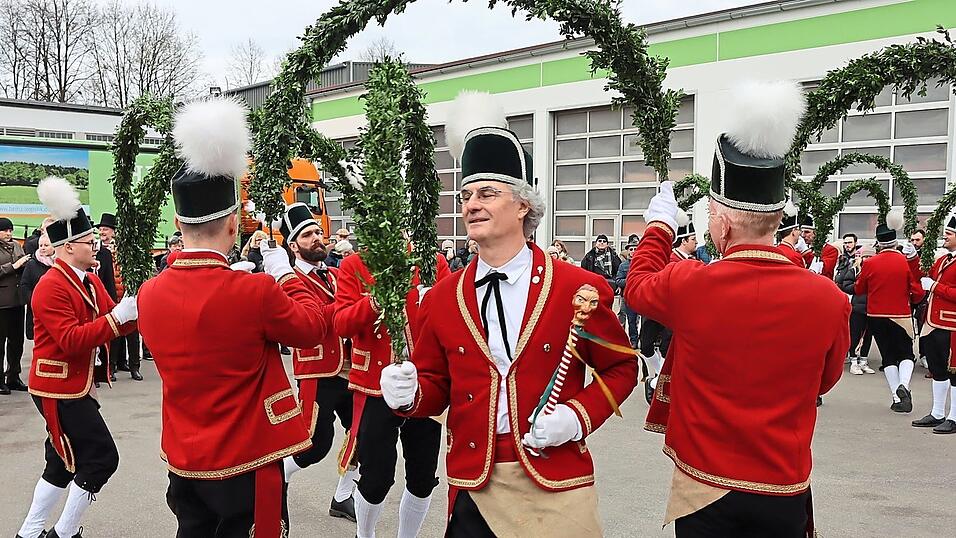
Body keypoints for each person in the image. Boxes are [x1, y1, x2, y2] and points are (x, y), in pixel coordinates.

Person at [380, 90, 636, 537]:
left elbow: (621, 368)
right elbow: (437, 387)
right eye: (465, 195)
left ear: (523, 205)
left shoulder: (579, 289)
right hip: (473, 480)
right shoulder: (442, 298)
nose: (471, 204)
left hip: (555, 478)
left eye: (487, 193)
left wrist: (577, 416)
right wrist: (409, 395)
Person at [626, 80, 848, 537]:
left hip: (706, 485)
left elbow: (637, 285)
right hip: (784, 485)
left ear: (724, 223)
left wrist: (658, 228)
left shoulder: (692, 284)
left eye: (710, 214)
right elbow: (825, 378)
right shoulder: (828, 298)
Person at [137, 98, 329, 538]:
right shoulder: (255, 290)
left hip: (184, 459)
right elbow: (313, 327)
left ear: (180, 224)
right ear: (232, 225)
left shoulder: (150, 292)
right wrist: (283, 274)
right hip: (248, 458)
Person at [17, 176, 138, 538]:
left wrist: (144, 308)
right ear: (68, 247)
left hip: (75, 384)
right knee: (101, 458)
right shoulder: (50, 287)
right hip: (57, 386)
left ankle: (30, 531)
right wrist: (118, 319)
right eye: (90, 242)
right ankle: (64, 533)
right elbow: (72, 341)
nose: (96, 246)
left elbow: (115, 317)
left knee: (59, 461)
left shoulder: (88, 279)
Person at [334, 236, 450, 538]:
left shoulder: (431, 262)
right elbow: (342, 324)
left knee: (423, 477)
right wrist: (374, 302)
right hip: (374, 386)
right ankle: (365, 534)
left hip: (424, 385)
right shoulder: (354, 264)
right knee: (376, 477)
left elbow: (454, 318)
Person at [277, 203, 359, 520]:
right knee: (315, 443)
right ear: (293, 245)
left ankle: (343, 496)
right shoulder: (290, 279)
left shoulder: (338, 274)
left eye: (318, 233)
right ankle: (278, 476)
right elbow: (314, 319)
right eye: (308, 235)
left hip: (353, 368)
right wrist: (347, 305)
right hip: (319, 369)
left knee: (362, 435)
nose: (317, 239)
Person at [855, 211, 924, 413]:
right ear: (895, 243)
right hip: (900, 315)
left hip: (876, 315)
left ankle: (897, 398)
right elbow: (917, 291)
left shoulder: (869, 263)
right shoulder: (904, 262)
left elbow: (859, 289)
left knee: (888, 357)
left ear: (879, 243)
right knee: (906, 355)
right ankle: (904, 385)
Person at [913, 216, 956, 434]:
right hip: (933, 322)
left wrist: (935, 287)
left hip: (952, 325)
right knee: (937, 368)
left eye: (949, 234)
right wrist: (913, 258)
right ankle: (938, 412)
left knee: (954, 372)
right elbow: (923, 276)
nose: (944, 236)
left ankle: (954, 417)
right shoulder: (944, 259)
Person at [835, 246, 876, 375]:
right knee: (855, 334)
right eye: (865, 256)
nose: (867, 259)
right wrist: (860, 286)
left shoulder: (876, 271)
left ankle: (863, 360)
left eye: (870, 257)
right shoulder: (854, 270)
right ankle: (853, 360)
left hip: (872, 308)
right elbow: (846, 285)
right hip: (858, 307)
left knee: (868, 335)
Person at [1, 216, 29, 394]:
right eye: (5, 230)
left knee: (17, 342)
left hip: (17, 302)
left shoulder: (17, 246)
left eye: (11, 230)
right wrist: (14, 265)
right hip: (2, 303)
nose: (9, 233)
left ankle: (13, 376)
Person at [19, 233, 55, 342]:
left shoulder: (60, 263)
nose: (43, 248)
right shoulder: (32, 264)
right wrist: (34, 302)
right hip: (37, 312)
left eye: (46, 245)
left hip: (55, 311)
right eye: (40, 245)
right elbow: (24, 285)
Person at [614, 237, 641, 349]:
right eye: (631, 249)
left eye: (635, 249)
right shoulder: (623, 265)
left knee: (644, 321)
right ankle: (633, 340)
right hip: (629, 296)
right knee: (631, 320)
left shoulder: (643, 263)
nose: (633, 251)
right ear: (628, 251)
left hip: (642, 296)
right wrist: (630, 280)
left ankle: (643, 340)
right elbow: (618, 280)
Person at [799, 215, 839, 279]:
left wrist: (805, 252)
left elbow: (822, 270)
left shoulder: (831, 250)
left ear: (816, 233)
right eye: (801, 232)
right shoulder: (801, 249)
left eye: (807, 232)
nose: (803, 235)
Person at [776, 202, 807, 267]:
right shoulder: (794, 256)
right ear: (793, 231)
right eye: (798, 229)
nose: (800, 233)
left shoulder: (776, 251)